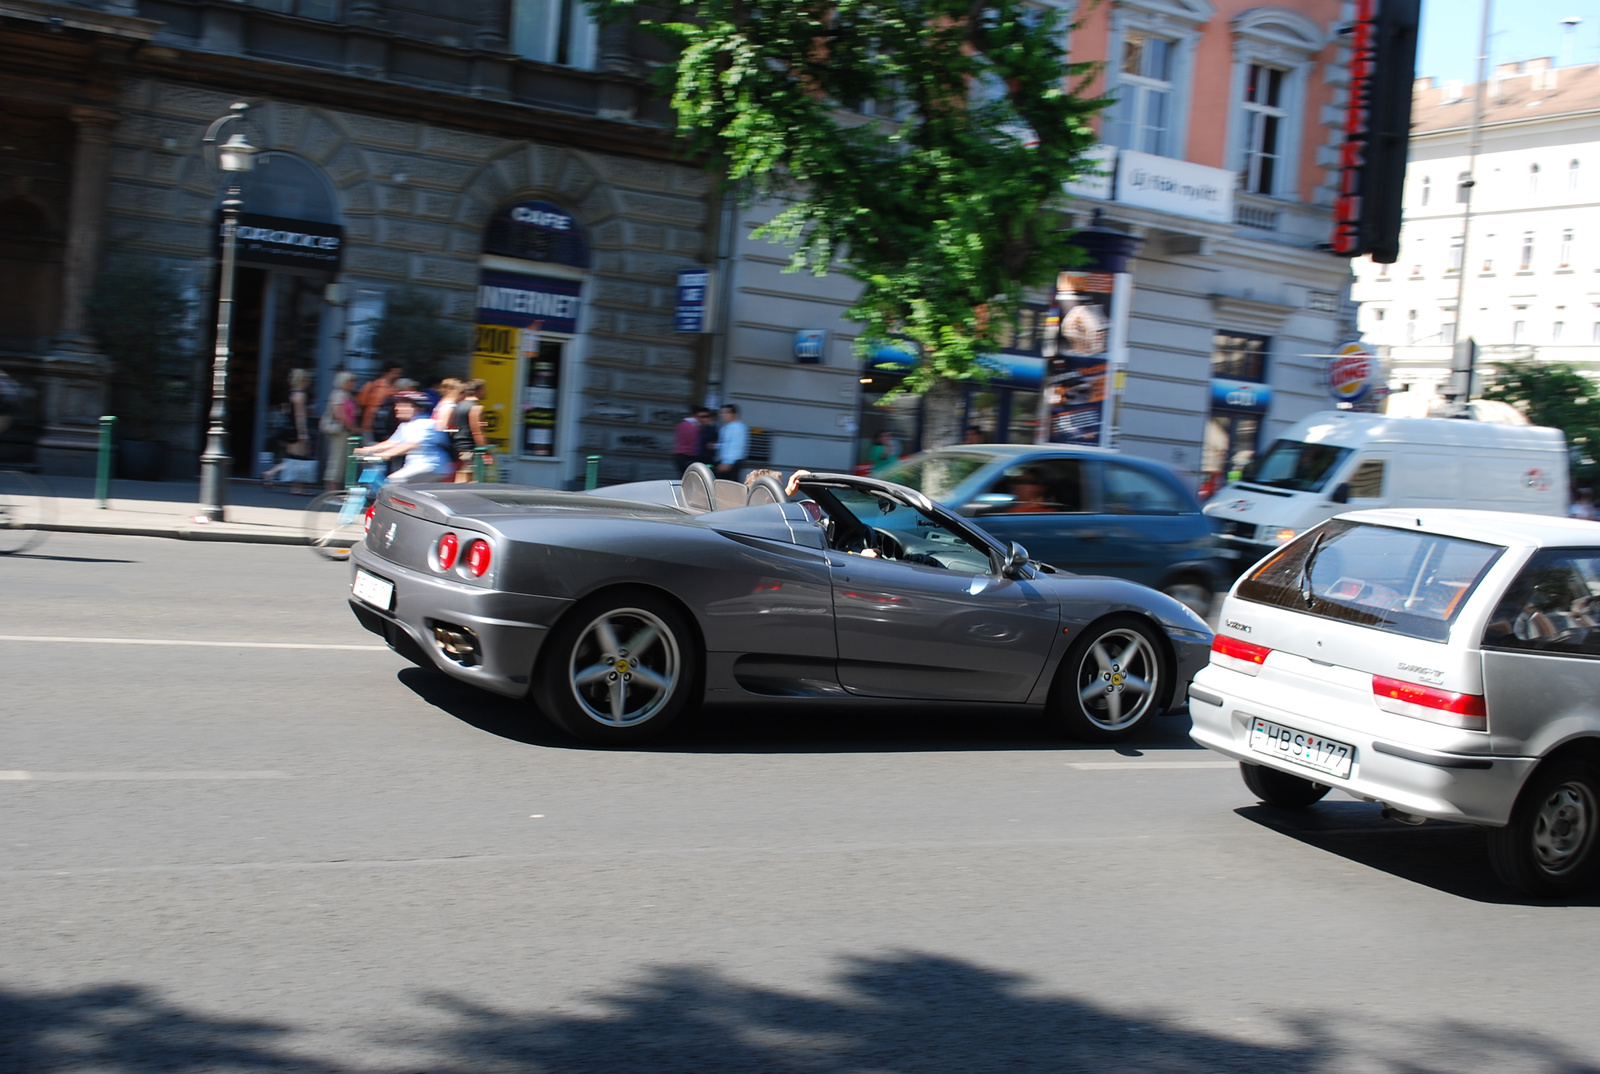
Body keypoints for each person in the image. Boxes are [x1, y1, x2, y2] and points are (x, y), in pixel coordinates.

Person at [363, 391, 455, 484]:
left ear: (419, 408)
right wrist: (367, 449)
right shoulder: (406, 425)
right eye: (397, 405)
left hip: (430, 466)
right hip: (416, 466)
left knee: (395, 480)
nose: (397, 408)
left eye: (403, 405)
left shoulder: (424, 423)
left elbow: (412, 444)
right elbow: (391, 443)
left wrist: (387, 454)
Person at [320, 370, 358, 491]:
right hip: (340, 432)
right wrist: (353, 428)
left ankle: (334, 491)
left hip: (344, 431)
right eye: (350, 381)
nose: (353, 384)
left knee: (341, 462)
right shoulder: (338, 395)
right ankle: (330, 492)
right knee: (336, 461)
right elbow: (339, 415)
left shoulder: (346, 395)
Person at [451, 379, 489, 482]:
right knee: (469, 481)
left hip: (458, 448)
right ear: (479, 390)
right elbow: (477, 431)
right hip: (470, 449)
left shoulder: (457, 405)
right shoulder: (476, 407)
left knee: (460, 477)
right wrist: (485, 450)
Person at [358, 365, 403, 443]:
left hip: (387, 427)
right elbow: (361, 402)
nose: (398, 376)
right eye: (395, 373)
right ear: (387, 373)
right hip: (370, 426)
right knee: (370, 450)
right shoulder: (372, 386)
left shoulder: (395, 389)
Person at [715, 403, 748, 479]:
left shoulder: (738, 428)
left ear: (734, 414)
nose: (722, 415)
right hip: (725, 461)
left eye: (726, 413)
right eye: (722, 413)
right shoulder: (726, 428)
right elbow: (727, 444)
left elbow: (736, 446)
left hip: (731, 463)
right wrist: (716, 446)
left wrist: (728, 462)